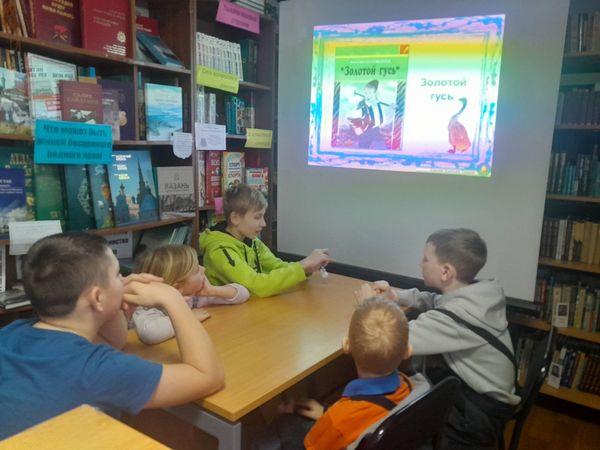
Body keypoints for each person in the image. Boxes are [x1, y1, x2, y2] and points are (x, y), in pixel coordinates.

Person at [0, 233, 224, 439]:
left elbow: (115, 342)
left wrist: (116, 298)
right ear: (97, 298)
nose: (126, 280)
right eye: (118, 274)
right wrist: (172, 298)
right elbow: (208, 376)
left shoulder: (13, 332)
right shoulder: (99, 369)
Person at [357, 228, 520, 449]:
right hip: (490, 396)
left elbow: (390, 342)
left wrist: (368, 308)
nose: (420, 264)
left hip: (477, 417)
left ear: (445, 271)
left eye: (425, 259)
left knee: (394, 427)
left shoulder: (456, 317)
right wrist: (395, 296)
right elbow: (434, 300)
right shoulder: (478, 295)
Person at [253, 296, 415, 450]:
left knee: (281, 427)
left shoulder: (338, 420)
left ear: (346, 345)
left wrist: (285, 417)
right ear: (408, 351)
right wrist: (326, 413)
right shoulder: (407, 384)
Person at [200, 184, 330, 297]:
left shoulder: (252, 241)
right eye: (257, 217)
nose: (264, 224)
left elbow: (276, 266)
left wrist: (307, 268)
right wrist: (303, 265)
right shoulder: (219, 250)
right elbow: (255, 286)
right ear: (235, 218)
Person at [132, 244, 249, 344]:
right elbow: (150, 334)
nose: (204, 269)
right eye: (196, 270)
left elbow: (243, 294)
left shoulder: (196, 295)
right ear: (177, 288)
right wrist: (190, 318)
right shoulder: (146, 306)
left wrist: (212, 290)